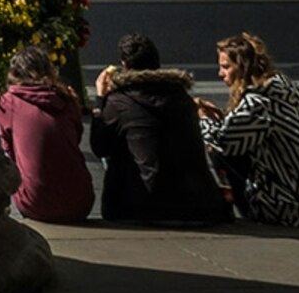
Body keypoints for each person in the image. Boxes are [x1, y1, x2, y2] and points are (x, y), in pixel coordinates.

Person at [197, 32, 299, 229]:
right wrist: (223, 119)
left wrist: (203, 119)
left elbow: (224, 144)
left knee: (219, 152)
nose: (221, 74)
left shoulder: (258, 102)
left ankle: (229, 208)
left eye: (226, 67)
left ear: (243, 67)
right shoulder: (281, 92)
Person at [89, 32, 230, 225]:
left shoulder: (119, 102)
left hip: (141, 206)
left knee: (116, 144)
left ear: (124, 65)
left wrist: (100, 101)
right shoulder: (182, 97)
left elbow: (100, 147)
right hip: (198, 203)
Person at [0, 43, 95, 224]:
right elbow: (75, 137)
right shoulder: (67, 99)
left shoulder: (7, 102)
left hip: (36, 203)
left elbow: (8, 150)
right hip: (81, 200)